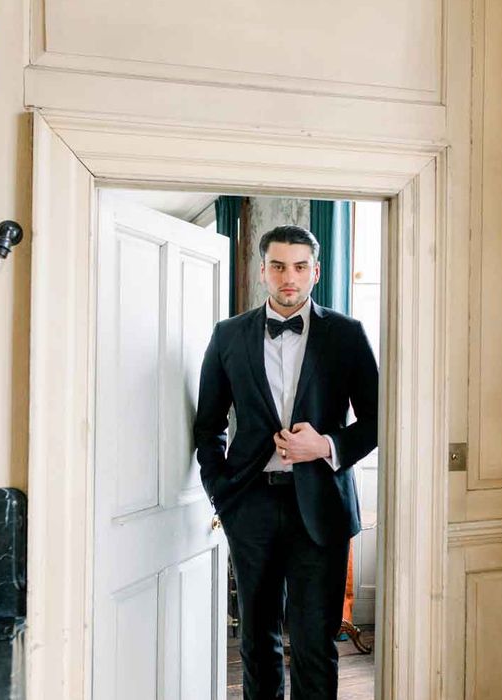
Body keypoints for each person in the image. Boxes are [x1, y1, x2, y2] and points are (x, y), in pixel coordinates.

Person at [193, 225, 378, 700]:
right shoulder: (228, 335)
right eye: (278, 266)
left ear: (315, 272)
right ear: (262, 271)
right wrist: (223, 492)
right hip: (249, 505)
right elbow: (208, 425)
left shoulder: (348, 335)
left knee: (315, 644)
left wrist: (327, 447)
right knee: (257, 641)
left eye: (299, 267)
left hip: (321, 509)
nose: (288, 277)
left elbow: (381, 421)